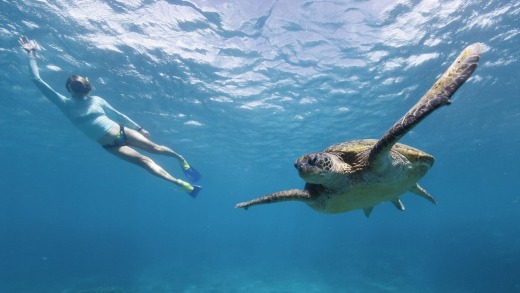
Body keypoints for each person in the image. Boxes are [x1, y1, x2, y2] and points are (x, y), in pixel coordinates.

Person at [19, 36, 202, 198]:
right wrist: (31, 53)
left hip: (123, 131)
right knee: (145, 162)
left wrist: (138, 127)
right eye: (73, 82)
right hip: (111, 146)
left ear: (87, 86)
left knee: (155, 148)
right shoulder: (64, 103)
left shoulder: (97, 100)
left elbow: (118, 114)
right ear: (69, 88)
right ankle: (181, 184)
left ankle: (181, 159)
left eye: (80, 81)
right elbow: (36, 80)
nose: (77, 83)